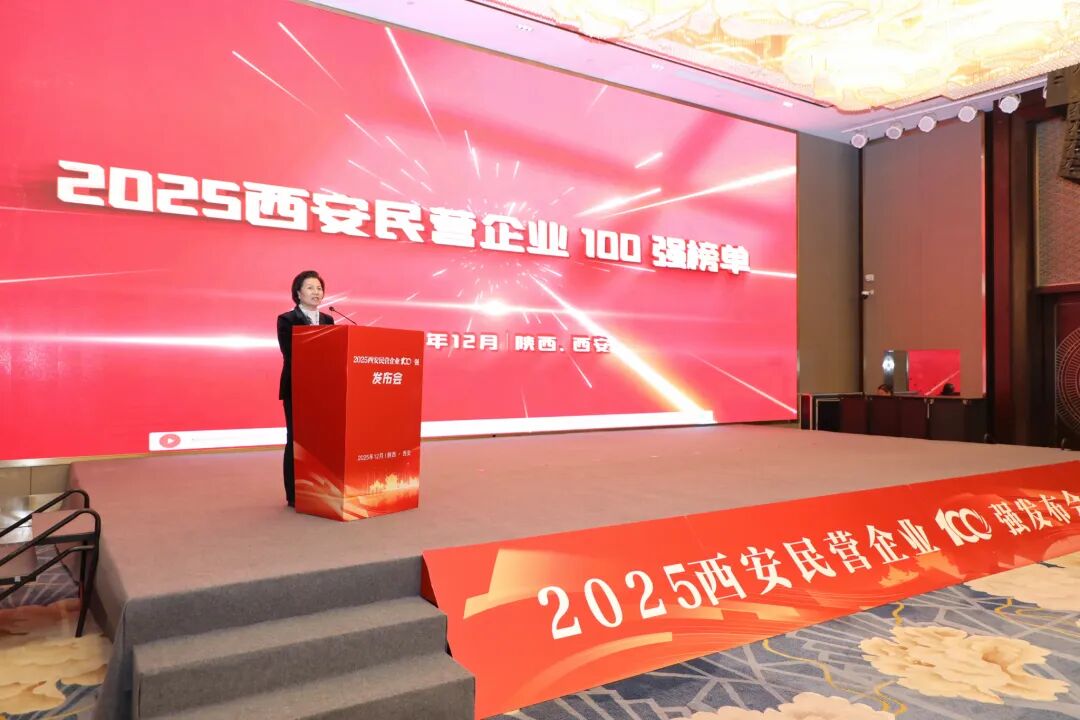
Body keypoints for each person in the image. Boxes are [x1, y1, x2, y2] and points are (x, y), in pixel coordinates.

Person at [277, 271, 334, 507]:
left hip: (323, 390)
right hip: (297, 387)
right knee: (296, 439)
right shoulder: (287, 319)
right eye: (310, 287)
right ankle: (294, 494)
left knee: (320, 440)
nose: (316, 292)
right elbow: (290, 353)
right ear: (298, 293)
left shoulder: (328, 320)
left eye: (319, 288)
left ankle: (319, 488)